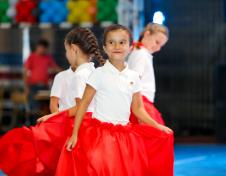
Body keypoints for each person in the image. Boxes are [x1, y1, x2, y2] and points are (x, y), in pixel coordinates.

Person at [55, 24, 174, 176]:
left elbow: (138, 109)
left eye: (122, 42)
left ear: (130, 46)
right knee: (101, 169)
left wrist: (157, 125)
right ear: (105, 47)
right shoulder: (98, 74)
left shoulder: (133, 77)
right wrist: (75, 134)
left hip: (125, 138)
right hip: (100, 136)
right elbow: (83, 105)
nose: (117, 46)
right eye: (111, 42)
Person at [0, 27, 104, 176]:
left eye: (66, 50)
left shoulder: (79, 75)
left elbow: (81, 108)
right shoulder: (94, 72)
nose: (66, 54)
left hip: (79, 125)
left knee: (26, 144)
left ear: (73, 49)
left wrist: (53, 117)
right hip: (94, 126)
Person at [128, 23, 169, 125]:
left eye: (161, 46)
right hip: (141, 101)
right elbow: (135, 78)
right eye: (157, 42)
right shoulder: (141, 53)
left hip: (141, 101)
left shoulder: (140, 52)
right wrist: (139, 109)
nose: (158, 48)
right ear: (147, 34)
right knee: (157, 135)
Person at [23, 39, 60, 124]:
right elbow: (25, 72)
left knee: (44, 107)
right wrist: (26, 87)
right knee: (34, 108)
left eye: (44, 48)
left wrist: (68, 72)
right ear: (37, 47)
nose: (42, 50)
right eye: (41, 47)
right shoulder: (31, 57)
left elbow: (55, 68)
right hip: (33, 86)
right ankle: (32, 126)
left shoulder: (48, 57)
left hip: (44, 87)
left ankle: (43, 127)